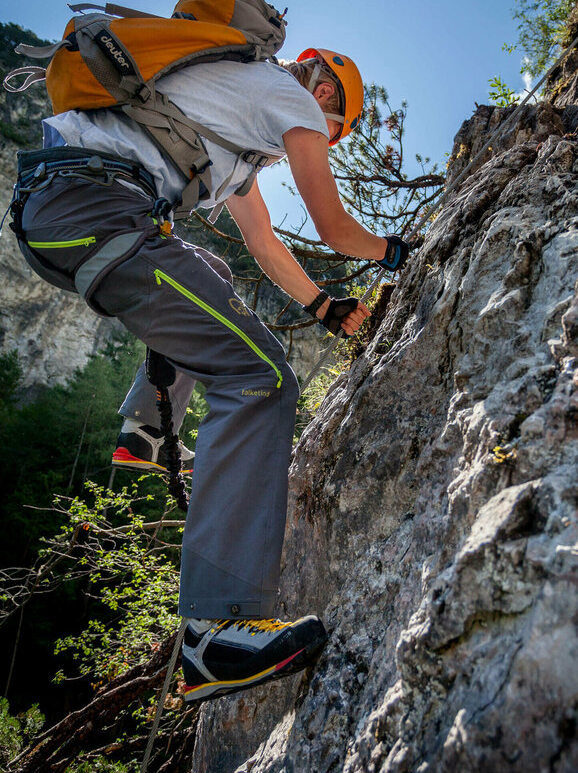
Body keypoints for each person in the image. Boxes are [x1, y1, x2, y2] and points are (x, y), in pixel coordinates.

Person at [10, 40, 409, 703]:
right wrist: (399, 249)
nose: (307, 146)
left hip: (59, 212)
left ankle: (144, 431)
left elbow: (262, 243)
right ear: (328, 97)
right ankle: (215, 628)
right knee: (262, 379)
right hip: (96, 209)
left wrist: (321, 304)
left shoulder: (231, 124)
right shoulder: (285, 95)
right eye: (326, 134)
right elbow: (335, 227)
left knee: (213, 273)